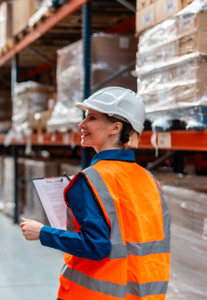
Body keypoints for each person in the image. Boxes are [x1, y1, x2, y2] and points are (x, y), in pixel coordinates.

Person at [20, 87, 171, 300]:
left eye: (92, 117)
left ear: (115, 127)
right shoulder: (150, 181)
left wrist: (42, 232)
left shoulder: (91, 180)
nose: (82, 125)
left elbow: (96, 246)